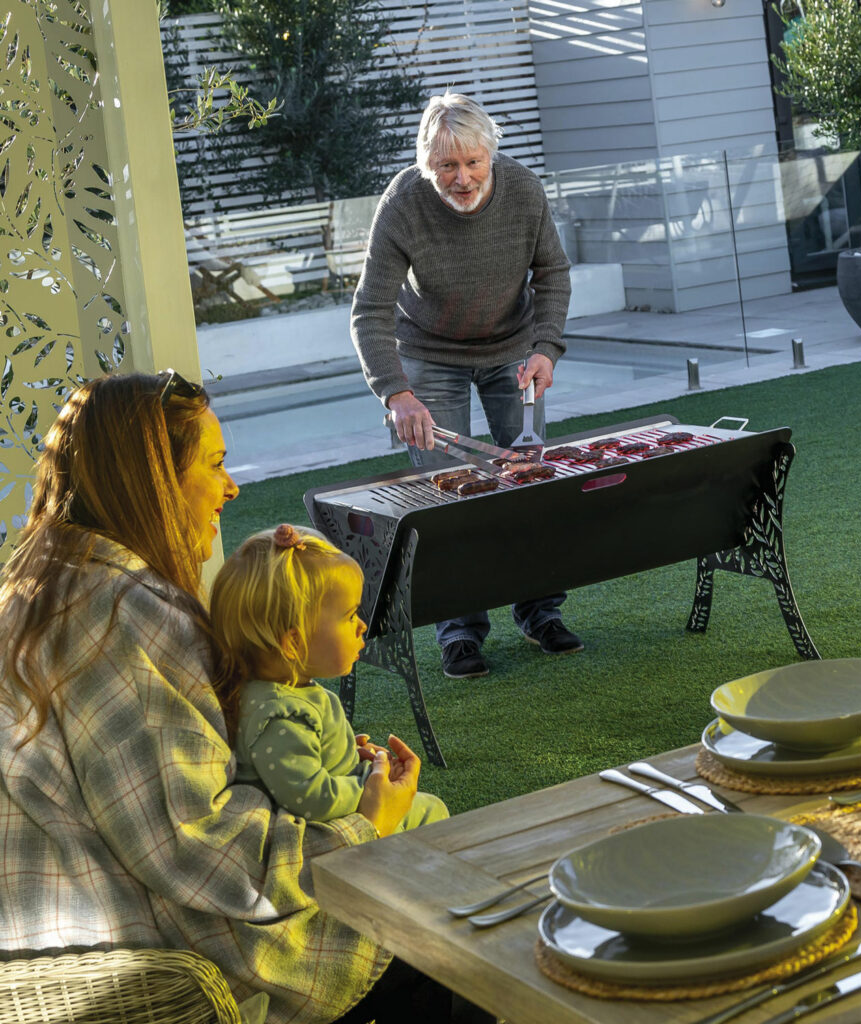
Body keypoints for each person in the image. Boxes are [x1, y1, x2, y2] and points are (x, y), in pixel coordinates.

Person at [0, 371, 485, 1024]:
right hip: (161, 962)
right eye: (215, 465)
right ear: (155, 483)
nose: (232, 486)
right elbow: (198, 848)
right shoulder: (125, 615)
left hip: (70, 943)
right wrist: (366, 821)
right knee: (446, 932)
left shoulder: (39, 582)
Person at [351, 90, 583, 681]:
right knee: (445, 496)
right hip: (430, 355)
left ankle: (539, 612)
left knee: (529, 482)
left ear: (491, 156)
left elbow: (552, 272)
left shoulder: (524, 191)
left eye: (473, 162)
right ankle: (459, 632)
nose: (462, 178)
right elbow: (371, 308)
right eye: (447, 166)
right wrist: (395, 392)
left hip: (513, 351)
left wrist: (545, 349)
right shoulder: (402, 204)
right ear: (427, 165)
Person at [210, 522, 448, 830]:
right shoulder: (279, 716)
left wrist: (345, 753)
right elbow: (311, 797)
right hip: (330, 831)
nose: (361, 626)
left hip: (342, 807)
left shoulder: (286, 693)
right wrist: (371, 784)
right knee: (431, 812)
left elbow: (304, 763)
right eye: (349, 616)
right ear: (293, 643)